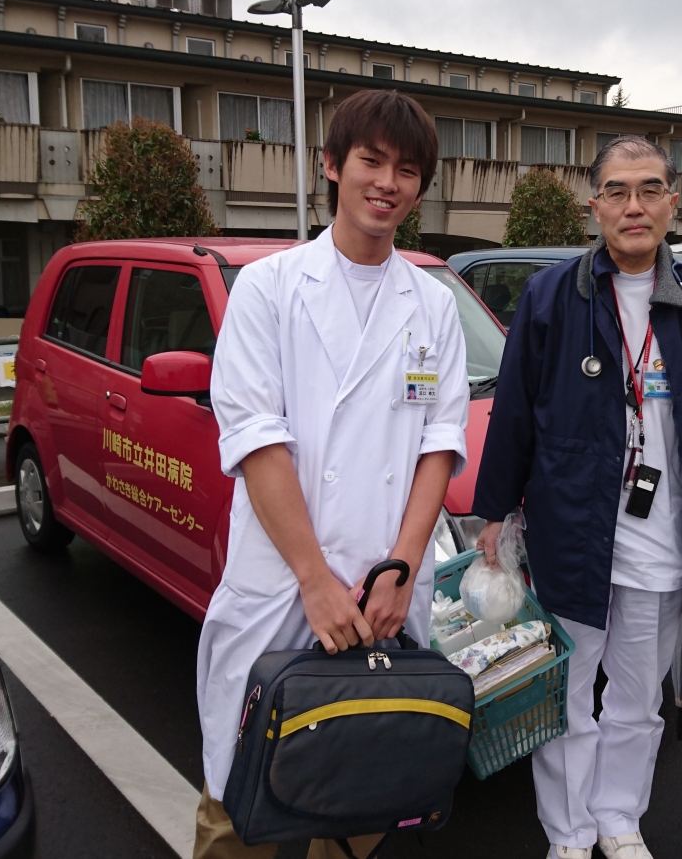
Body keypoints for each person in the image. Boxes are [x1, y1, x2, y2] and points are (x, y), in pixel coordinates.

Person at [192, 89, 470, 859]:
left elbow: (437, 446)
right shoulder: (269, 289)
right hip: (285, 584)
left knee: (361, 787)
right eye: (371, 161)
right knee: (241, 795)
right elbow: (256, 440)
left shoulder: (433, 306)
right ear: (331, 166)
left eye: (407, 170)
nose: (388, 182)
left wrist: (403, 571)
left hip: (379, 591)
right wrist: (315, 580)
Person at [473, 136, 682, 859]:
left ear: (673, 204)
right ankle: (568, 831)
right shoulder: (550, 297)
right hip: (571, 533)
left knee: (637, 698)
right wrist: (494, 512)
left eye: (650, 189)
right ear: (593, 204)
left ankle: (619, 818)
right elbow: (513, 414)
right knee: (564, 696)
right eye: (618, 191)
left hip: (664, 541)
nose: (635, 205)